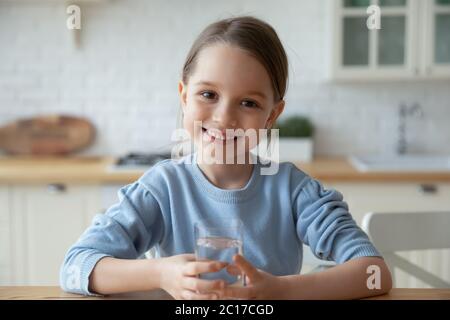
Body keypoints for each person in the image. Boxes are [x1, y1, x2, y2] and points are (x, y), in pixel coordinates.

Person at [60, 16, 392, 300]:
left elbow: (374, 273)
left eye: (248, 103)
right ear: (184, 95)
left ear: (272, 115)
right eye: (208, 95)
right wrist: (161, 273)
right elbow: (76, 265)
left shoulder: (294, 191)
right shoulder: (161, 189)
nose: (224, 117)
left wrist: (282, 290)